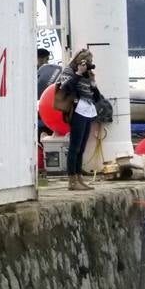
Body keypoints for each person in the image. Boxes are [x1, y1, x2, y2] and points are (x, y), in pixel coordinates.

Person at [58, 49, 100, 191]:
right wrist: (78, 74)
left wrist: (93, 83)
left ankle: (79, 177)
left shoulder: (87, 76)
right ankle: (72, 180)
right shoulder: (69, 72)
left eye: (90, 63)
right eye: (86, 62)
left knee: (81, 148)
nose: (88, 65)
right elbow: (65, 88)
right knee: (74, 147)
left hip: (88, 110)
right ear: (79, 61)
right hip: (77, 111)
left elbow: (97, 98)